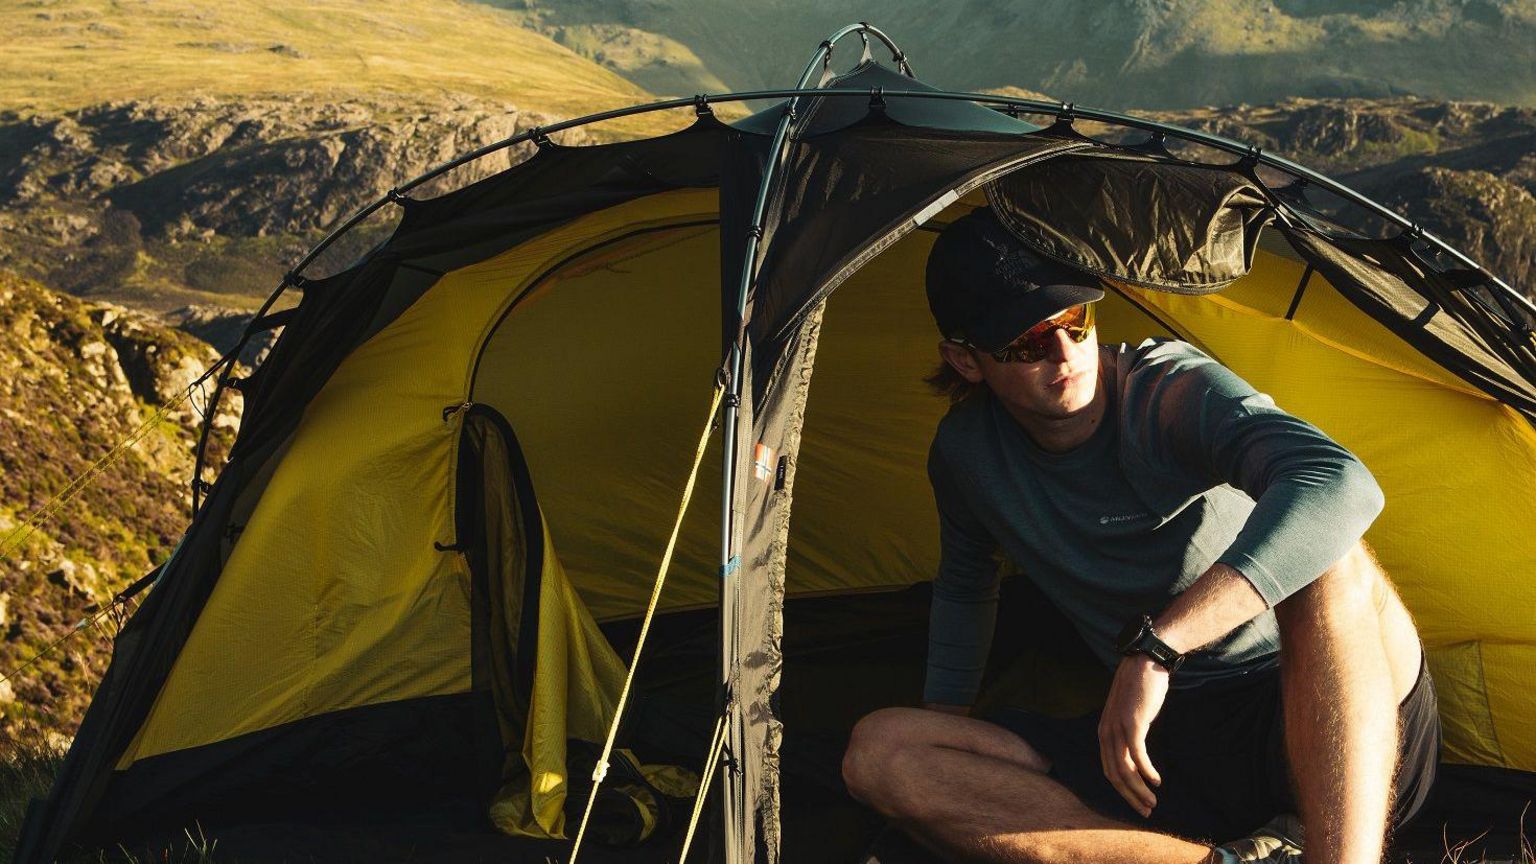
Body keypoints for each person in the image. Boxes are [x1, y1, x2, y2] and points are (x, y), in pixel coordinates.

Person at [840, 207, 1440, 864]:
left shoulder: (1166, 393)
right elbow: (965, 583)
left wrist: (1158, 648)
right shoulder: (966, 454)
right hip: (1169, 748)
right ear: (966, 360)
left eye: (1075, 321)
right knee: (882, 753)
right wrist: (948, 729)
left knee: (1334, 560)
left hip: (1331, 714)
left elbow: (1342, 485)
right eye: (1027, 342)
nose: (1065, 353)